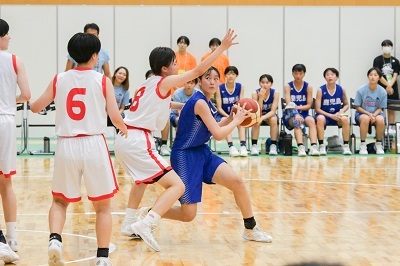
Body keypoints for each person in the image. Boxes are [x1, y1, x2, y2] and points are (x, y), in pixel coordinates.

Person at [114, 29, 238, 252]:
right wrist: (222, 48)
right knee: (178, 185)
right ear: (165, 68)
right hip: (138, 139)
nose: (177, 66)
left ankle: (128, 222)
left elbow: (165, 105)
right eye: (174, 62)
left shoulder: (147, 83)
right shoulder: (166, 80)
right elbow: (199, 70)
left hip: (124, 138)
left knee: (141, 181)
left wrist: (185, 106)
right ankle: (147, 222)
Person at [30, 32, 127, 266]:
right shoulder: (102, 80)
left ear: (72, 55)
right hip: (94, 143)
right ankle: (102, 257)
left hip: (66, 145)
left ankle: (55, 239)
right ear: (95, 56)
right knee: (102, 207)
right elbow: (114, 116)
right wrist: (125, 129)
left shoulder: (59, 79)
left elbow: (35, 107)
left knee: (60, 201)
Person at [161, 66, 272, 244]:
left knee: (237, 181)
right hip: (184, 156)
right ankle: (150, 212)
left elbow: (218, 123)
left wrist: (233, 116)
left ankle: (250, 228)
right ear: (199, 81)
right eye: (207, 77)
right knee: (188, 214)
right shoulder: (199, 102)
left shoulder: (208, 102)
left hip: (202, 152)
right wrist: (236, 121)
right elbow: (219, 134)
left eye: (215, 78)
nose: (212, 81)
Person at [0, 18, 31, 263]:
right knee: (6, 181)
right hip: (7, 120)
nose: (10, 38)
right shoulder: (14, 59)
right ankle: (12, 237)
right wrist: (10, 100)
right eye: (8, 34)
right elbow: (27, 95)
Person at [283, 64, 319, 157]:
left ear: (304, 74)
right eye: (296, 73)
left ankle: (313, 147)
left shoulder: (308, 87)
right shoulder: (288, 86)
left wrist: (298, 108)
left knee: (311, 120)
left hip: (304, 113)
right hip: (290, 114)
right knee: (297, 122)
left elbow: (309, 105)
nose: (298, 75)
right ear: (292, 74)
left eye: (300, 73)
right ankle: (301, 147)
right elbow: (289, 104)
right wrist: (295, 114)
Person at [315, 68, 352, 155]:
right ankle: (321, 146)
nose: (330, 76)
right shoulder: (320, 90)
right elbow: (317, 109)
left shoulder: (341, 89)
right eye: (327, 75)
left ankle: (346, 146)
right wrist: (330, 116)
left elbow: (347, 104)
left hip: (337, 115)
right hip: (324, 115)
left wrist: (341, 111)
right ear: (325, 78)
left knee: (345, 119)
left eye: (332, 74)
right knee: (319, 118)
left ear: (336, 77)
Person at [354, 67, 387, 155]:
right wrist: (369, 114)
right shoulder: (361, 90)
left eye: (375, 75)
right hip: (362, 114)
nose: (373, 77)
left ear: (379, 78)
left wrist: (374, 115)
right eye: (371, 75)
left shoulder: (383, 91)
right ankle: (363, 144)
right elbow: (357, 106)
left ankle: (378, 144)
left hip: (376, 113)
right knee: (365, 118)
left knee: (380, 119)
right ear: (368, 77)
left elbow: (381, 107)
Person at [215, 66, 247, 157]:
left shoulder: (240, 87)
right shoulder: (219, 88)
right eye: (229, 73)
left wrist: (237, 115)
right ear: (225, 75)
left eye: (233, 74)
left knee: (240, 121)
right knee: (226, 121)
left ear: (236, 75)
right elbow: (219, 107)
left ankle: (243, 146)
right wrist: (229, 117)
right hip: (223, 114)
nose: (231, 76)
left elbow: (241, 103)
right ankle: (231, 147)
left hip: (236, 114)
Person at [373, 39, 400, 132]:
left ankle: (391, 129)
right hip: (380, 88)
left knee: (391, 108)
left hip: (393, 89)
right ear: (382, 47)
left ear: (392, 47)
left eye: (388, 46)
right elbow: (378, 75)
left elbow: (396, 75)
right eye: (385, 45)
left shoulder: (396, 61)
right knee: (379, 108)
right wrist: (387, 86)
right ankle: (380, 130)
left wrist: (390, 86)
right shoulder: (377, 60)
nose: (386, 47)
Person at [250, 74, 279, 156]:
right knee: (256, 121)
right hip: (258, 114)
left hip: (269, 115)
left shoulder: (275, 93)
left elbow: (273, 111)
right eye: (263, 82)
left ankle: (273, 145)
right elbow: (257, 110)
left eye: (267, 82)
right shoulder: (255, 93)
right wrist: (261, 98)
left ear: (271, 84)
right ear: (259, 83)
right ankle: (254, 145)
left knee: (274, 119)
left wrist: (262, 118)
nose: (265, 85)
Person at [107, 66, 130, 132]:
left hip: (117, 114)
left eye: (124, 75)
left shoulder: (126, 90)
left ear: (126, 78)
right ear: (115, 74)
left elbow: (122, 108)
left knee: (123, 127)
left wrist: (116, 114)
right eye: (120, 73)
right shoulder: (108, 84)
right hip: (105, 113)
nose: (121, 76)